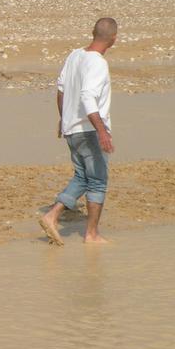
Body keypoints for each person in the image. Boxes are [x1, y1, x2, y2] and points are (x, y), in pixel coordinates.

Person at [39, 18, 118, 246]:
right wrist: (102, 130)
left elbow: (61, 89)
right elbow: (87, 96)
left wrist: (64, 118)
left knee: (82, 177)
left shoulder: (75, 55)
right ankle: (91, 235)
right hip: (89, 130)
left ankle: (52, 216)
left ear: (93, 33)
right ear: (113, 39)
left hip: (73, 129)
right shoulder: (98, 63)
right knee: (98, 181)